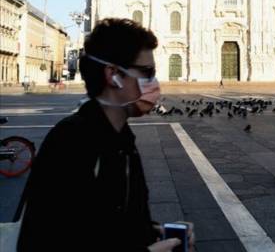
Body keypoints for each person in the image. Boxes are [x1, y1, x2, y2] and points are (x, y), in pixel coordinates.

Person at [17, 19, 194, 252]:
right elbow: (41, 241)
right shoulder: (70, 142)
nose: (154, 83)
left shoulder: (123, 140)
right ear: (113, 75)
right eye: (147, 72)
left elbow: (103, 227)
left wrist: (153, 233)